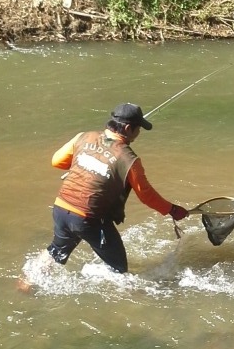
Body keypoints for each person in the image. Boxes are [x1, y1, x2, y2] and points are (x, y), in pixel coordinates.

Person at [45, 102, 188, 273]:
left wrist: (88, 165)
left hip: (61, 209)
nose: (139, 133)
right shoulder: (129, 159)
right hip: (89, 218)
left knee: (56, 253)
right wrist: (171, 209)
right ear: (128, 128)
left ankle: (26, 282)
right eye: (138, 128)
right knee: (119, 270)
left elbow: (57, 161)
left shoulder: (82, 137)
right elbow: (146, 195)